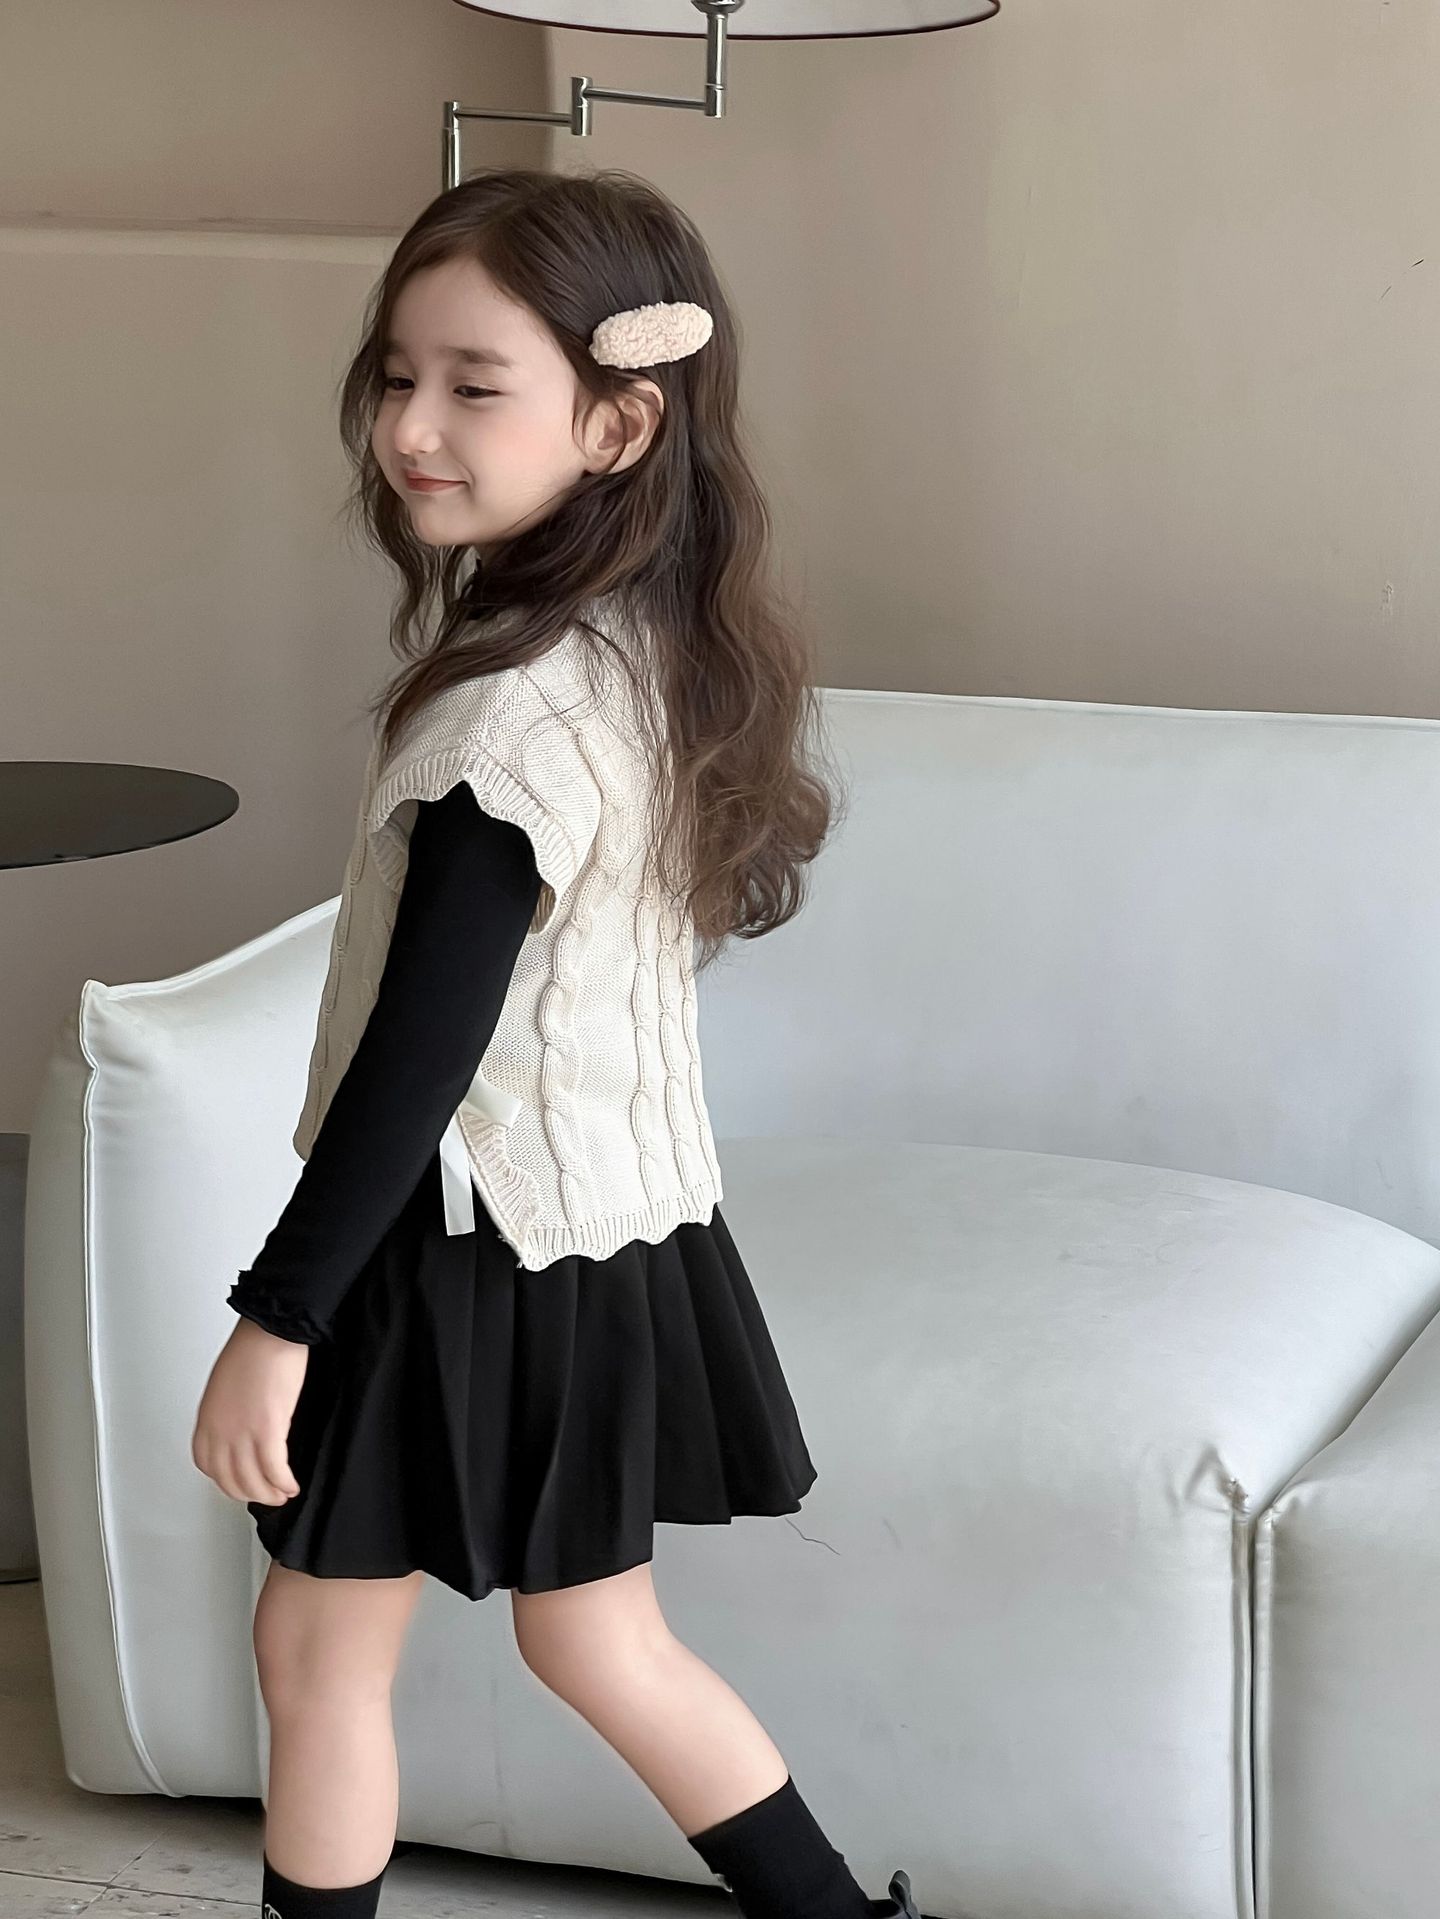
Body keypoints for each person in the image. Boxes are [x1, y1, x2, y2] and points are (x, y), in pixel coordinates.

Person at [191, 165, 916, 1919]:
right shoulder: (643, 646)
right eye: (396, 376)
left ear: (618, 421)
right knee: (598, 1640)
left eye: (473, 385)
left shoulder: (508, 724)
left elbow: (418, 1063)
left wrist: (278, 1320)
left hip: (461, 1240)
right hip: (604, 1229)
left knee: (318, 1653)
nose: (409, 429)